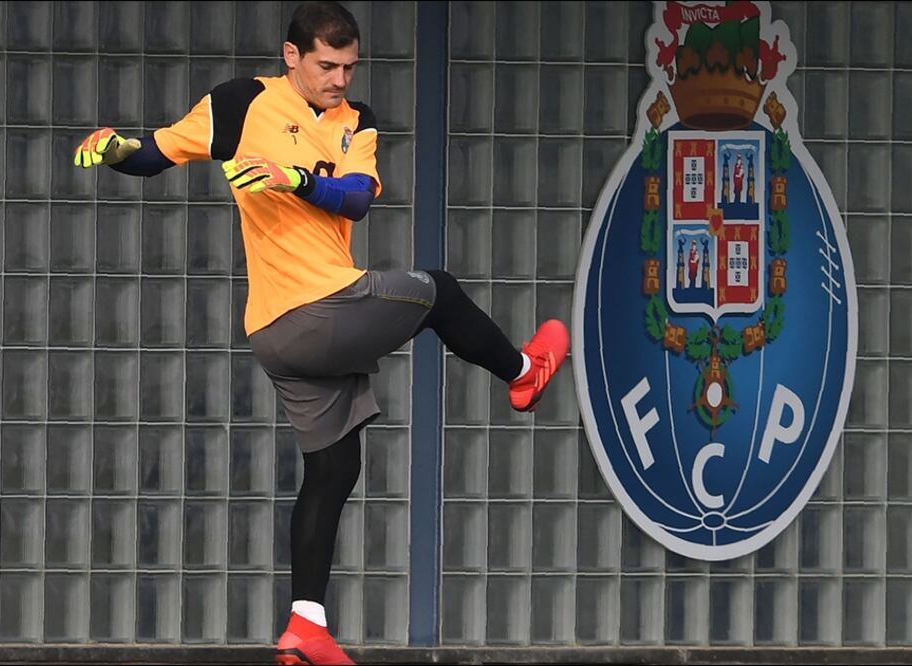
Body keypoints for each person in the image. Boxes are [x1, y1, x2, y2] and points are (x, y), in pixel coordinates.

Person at [74, 2, 569, 663]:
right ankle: (521, 376)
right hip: (313, 313)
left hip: (281, 335)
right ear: (291, 57)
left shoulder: (354, 122)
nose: (340, 79)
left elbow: (358, 198)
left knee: (333, 466)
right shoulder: (238, 104)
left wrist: (296, 178)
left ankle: (304, 626)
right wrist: (115, 149)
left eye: (348, 67)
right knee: (440, 293)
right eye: (326, 66)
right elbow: (155, 153)